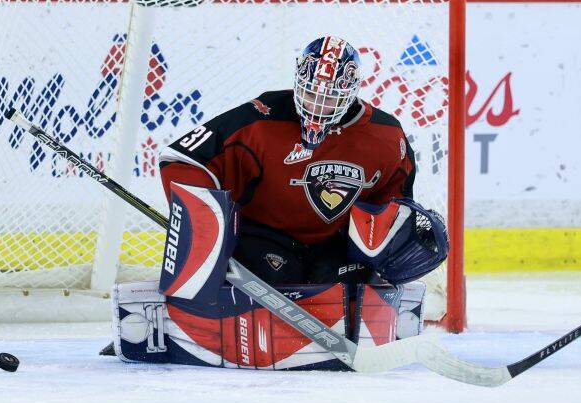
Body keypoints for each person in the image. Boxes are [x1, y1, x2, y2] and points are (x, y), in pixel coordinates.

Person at [106, 36, 449, 370]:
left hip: (333, 246)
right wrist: (205, 228)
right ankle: (185, 319)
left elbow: (394, 203)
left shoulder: (387, 137)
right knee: (276, 277)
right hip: (264, 239)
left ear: (352, 92)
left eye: (330, 97)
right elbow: (182, 158)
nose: (317, 106)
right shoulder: (261, 117)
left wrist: (390, 245)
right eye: (311, 93)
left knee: (344, 288)